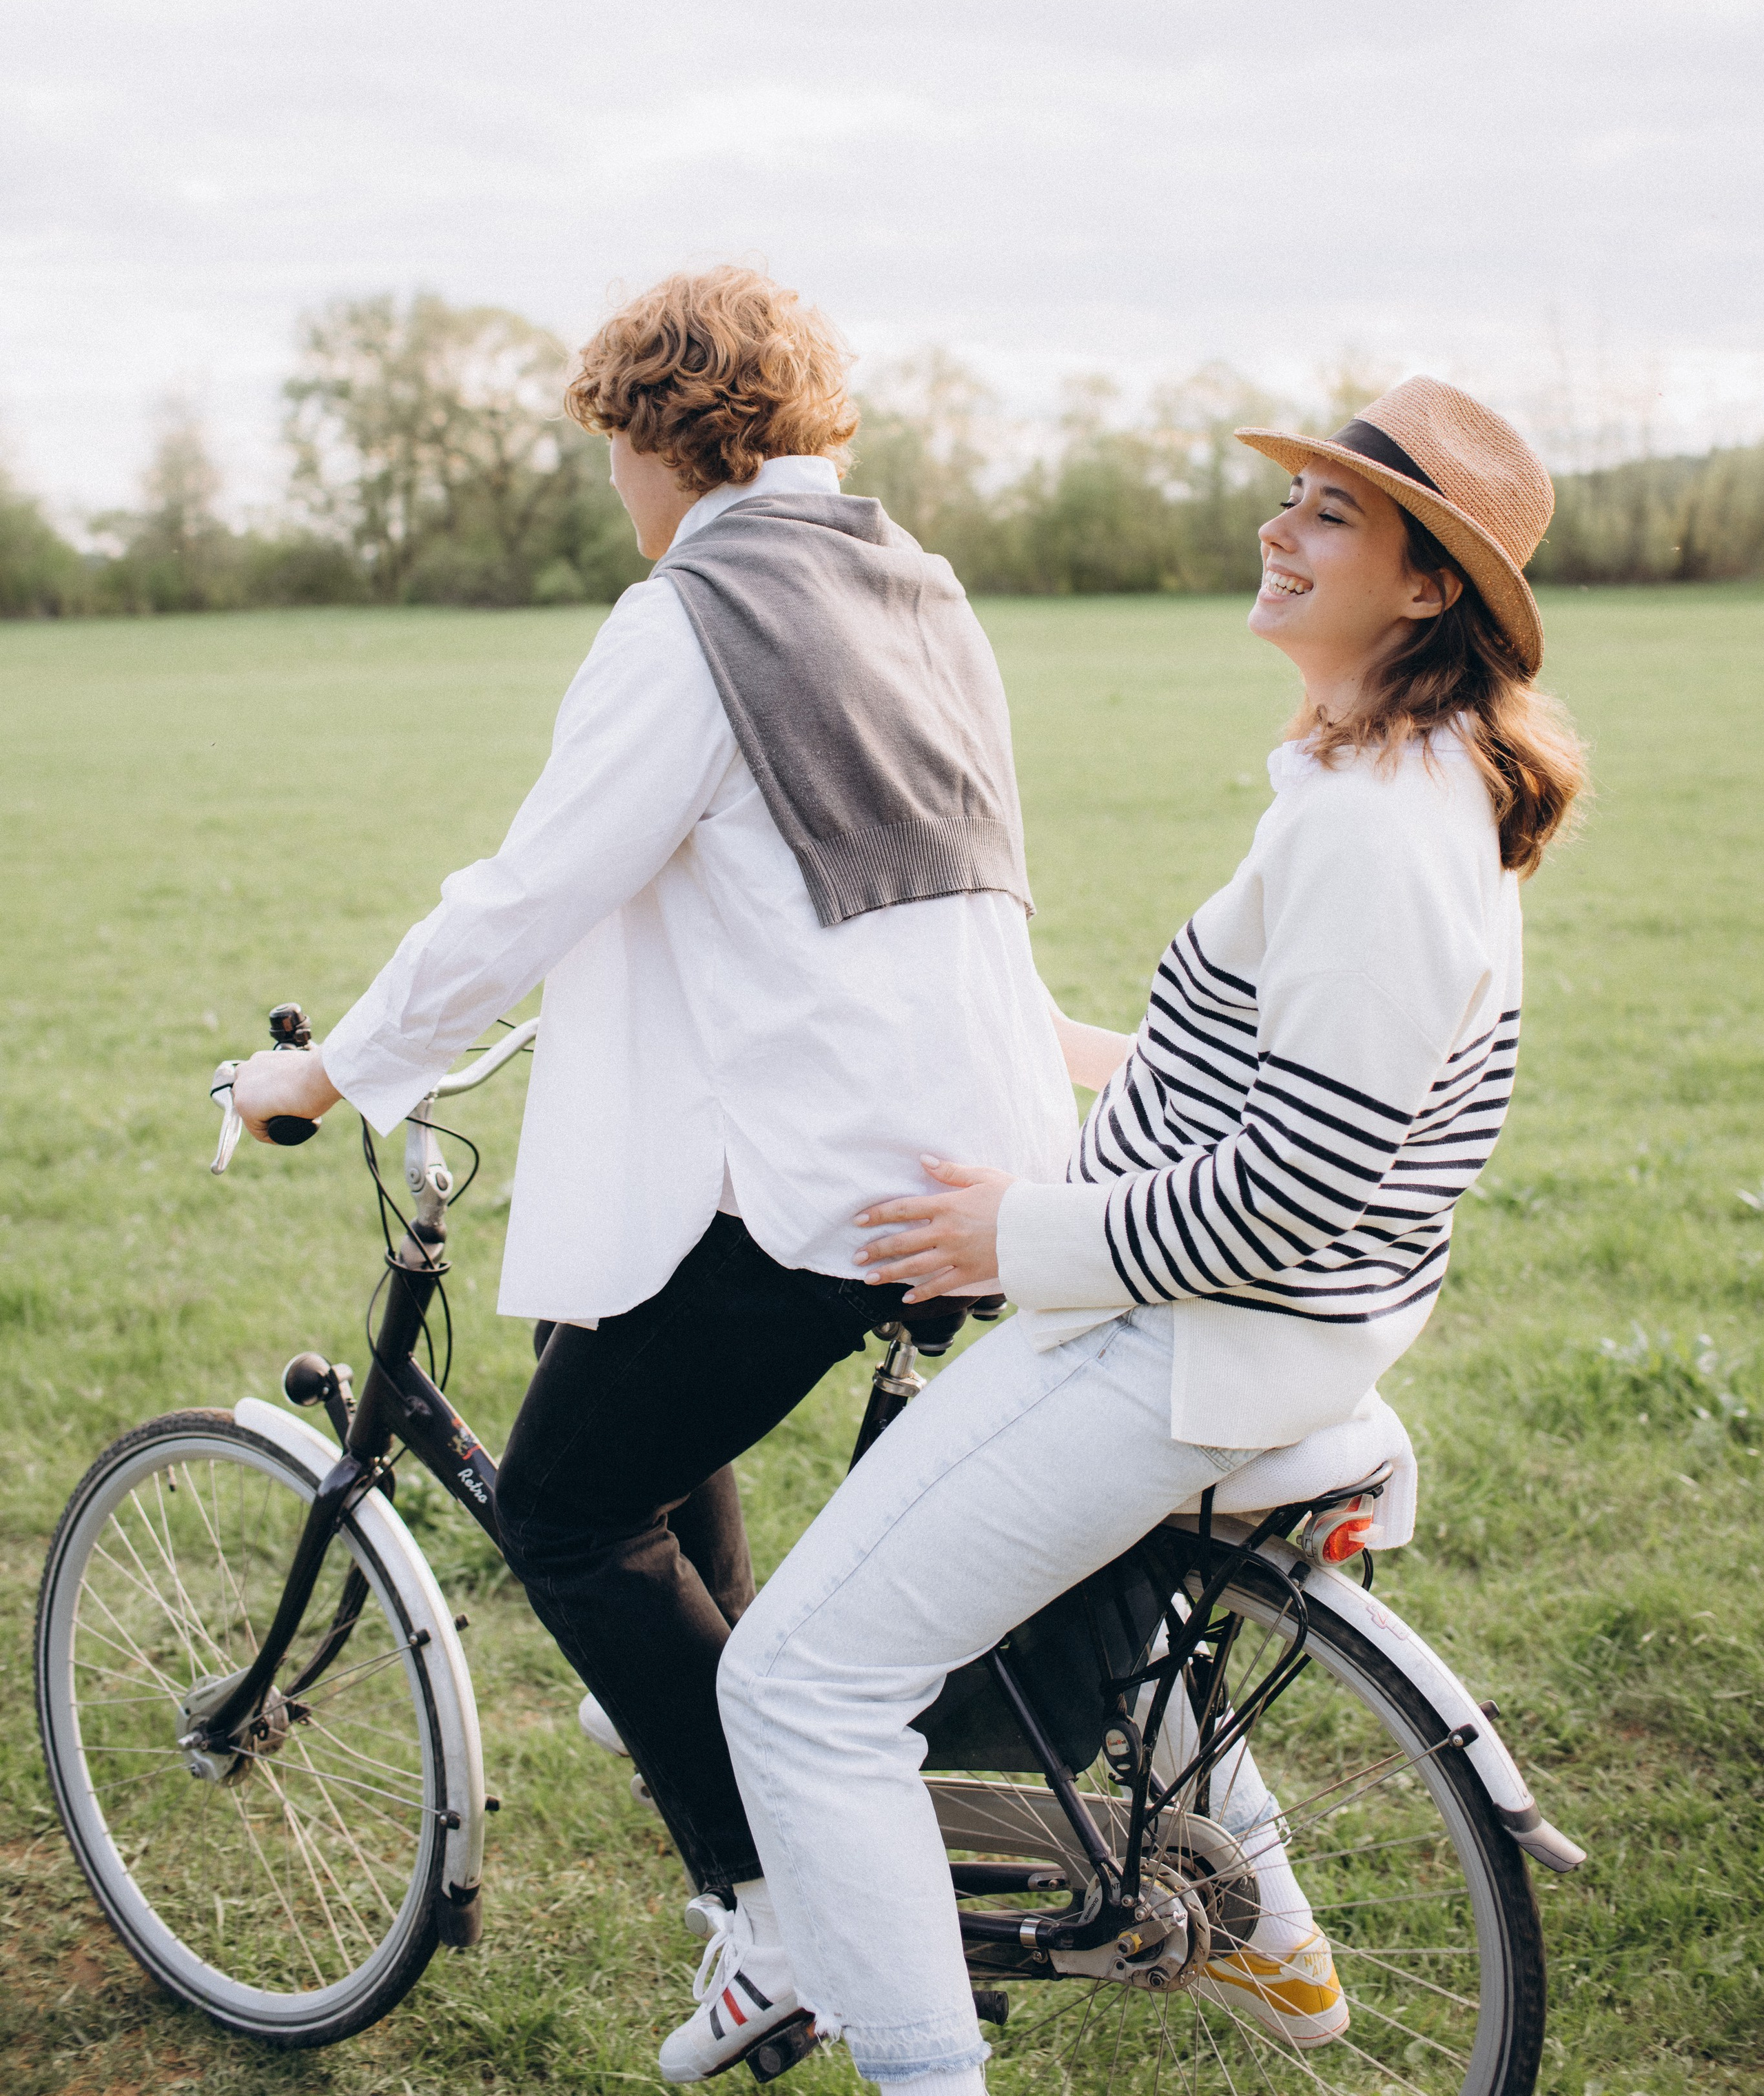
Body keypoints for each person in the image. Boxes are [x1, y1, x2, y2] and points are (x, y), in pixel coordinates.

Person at [227, 265, 1078, 2079]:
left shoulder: (691, 615)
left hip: (846, 1169)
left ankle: (779, 1911)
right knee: (616, 1373)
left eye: (613, 448)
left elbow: (532, 894)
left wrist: (327, 1072)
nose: (613, 487)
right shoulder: (908, 581)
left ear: (658, 438)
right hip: (971, 1126)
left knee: (562, 1511)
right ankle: (740, 1749)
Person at [716, 378, 1588, 2091]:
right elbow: (1275, 1084)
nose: (1275, 529)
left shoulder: (1372, 827)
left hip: (1185, 1345)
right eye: (1289, 500)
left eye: (1328, 514)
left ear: (1427, 590)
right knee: (1068, 1619)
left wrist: (1005, 1239)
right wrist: (1011, 1037)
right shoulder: (1397, 783)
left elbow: (1290, 1187)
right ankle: (1275, 1946)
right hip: (1262, 1333)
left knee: (797, 1687)